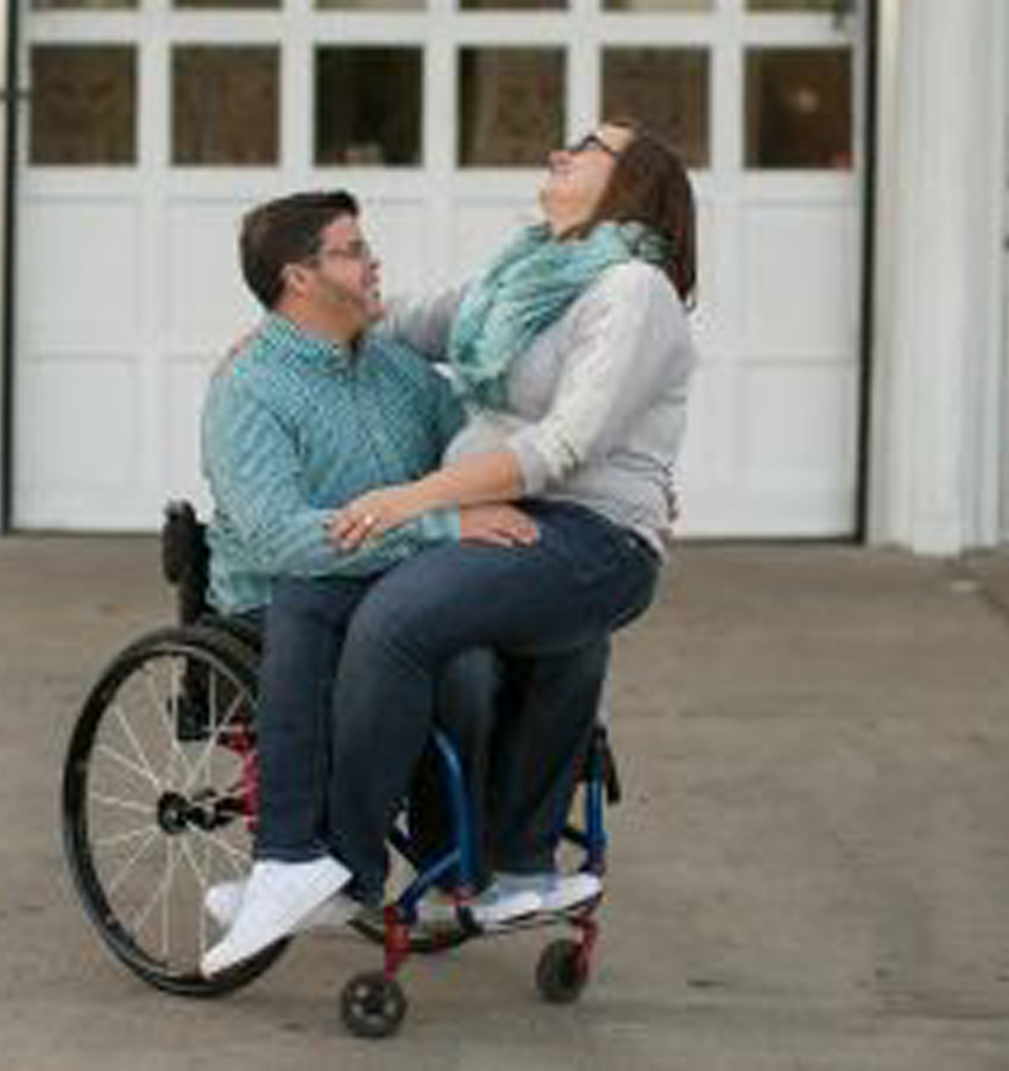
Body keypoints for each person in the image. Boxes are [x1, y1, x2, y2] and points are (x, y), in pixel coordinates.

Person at [211, 118, 699, 969]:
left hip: (586, 528)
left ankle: (346, 870)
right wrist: (286, 328)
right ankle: (498, 865)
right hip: (529, 521)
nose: (562, 149)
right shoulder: (531, 278)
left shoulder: (632, 290)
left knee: (398, 619)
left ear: (632, 182)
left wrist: (413, 502)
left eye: (588, 146)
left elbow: (565, 447)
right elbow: (418, 317)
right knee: (375, 613)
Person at [198, 190, 542, 976]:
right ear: (300, 277)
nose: (373, 261)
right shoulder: (250, 388)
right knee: (420, 643)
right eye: (352, 251)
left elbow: (473, 454)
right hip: (285, 601)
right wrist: (440, 525)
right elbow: (279, 537)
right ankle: (306, 859)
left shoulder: (398, 369)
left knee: (478, 661)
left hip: (402, 586)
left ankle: (452, 861)